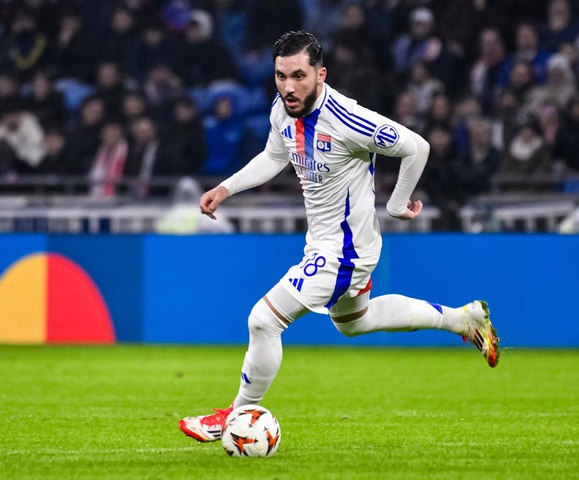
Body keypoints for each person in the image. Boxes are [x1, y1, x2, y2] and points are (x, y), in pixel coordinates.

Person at [178, 31, 500, 443]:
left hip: (345, 250)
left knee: (263, 320)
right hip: (328, 243)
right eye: (280, 76)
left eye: (298, 76)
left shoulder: (347, 118)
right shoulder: (283, 109)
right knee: (354, 322)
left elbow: (416, 147)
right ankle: (462, 319)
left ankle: (235, 414)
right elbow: (275, 156)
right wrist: (226, 188)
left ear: (320, 74)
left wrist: (398, 205)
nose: (289, 87)